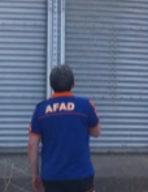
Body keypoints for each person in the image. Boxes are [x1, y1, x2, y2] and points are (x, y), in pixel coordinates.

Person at [28, 64, 100, 192]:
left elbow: (32, 145)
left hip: (52, 177)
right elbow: (96, 132)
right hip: (82, 176)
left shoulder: (41, 110)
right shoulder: (85, 106)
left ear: (51, 85)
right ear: (73, 84)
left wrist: (35, 175)